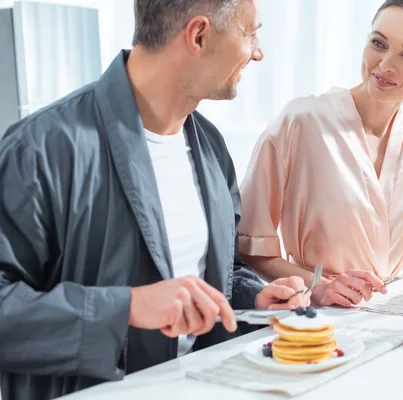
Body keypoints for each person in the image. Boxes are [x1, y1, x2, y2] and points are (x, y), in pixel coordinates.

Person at [0, 1, 310, 399]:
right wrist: (126, 307)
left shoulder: (212, 148)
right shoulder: (40, 150)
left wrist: (255, 298)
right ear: (198, 35)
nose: (258, 51)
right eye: (250, 33)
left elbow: (220, 272)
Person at [239, 0, 403, 308]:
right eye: (378, 43)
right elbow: (252, 248)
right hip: (317, 324)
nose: (385, 65)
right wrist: (319, 288)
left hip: (400, 315)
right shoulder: (300, 122)